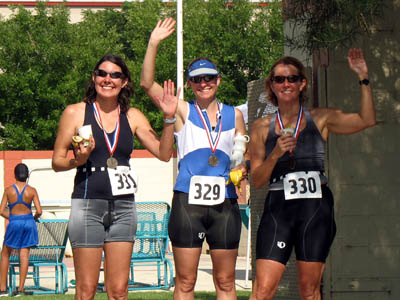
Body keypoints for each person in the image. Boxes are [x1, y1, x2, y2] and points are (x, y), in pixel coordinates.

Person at [249, 49, 375, 300]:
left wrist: (363, 78)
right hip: (279, 210)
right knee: (263, 290)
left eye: (292, 78)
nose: (286, 84)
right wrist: (275, 154)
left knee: (309, 290)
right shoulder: (261, 127)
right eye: (279, 79)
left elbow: (366, 120)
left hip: (315, 209)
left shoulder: (321, 118)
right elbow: (257, 180)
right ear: (271, 86)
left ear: (302, 83)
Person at [52, 54, 179, 300]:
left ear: (124, 82)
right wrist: (77, 160)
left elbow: (164, 154)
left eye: (115, 75)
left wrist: (169, 118)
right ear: (94, 77)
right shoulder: (75, 112)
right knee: (86, 290)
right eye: (102, 73)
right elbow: (56, 161)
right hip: (88, 205)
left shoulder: (133, 116)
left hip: (123, 207)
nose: (107, 79)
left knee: (119, 291)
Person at [141, 18, 248, 300]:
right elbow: (146, 82)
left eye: (209, 78)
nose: (204, 83)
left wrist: (241, 170)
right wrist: (154, 43)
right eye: (197, 79)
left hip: (224, 203)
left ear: (218, 81)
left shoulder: (235, 115)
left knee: (225, 282)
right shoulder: (181, 110)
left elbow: (239, 157)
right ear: (189, 84)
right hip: (188, 202)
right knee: (185, 283)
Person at [0, 163, 42, 296]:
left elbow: (1, 211)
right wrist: (32, 218)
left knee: (5, 254)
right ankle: (21, 289)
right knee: (24, 256)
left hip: (14, 222)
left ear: (14, 175)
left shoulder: (8, 190)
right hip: (29, 222)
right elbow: (39, 211)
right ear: (27, 176)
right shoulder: (32, 190)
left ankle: (2, 289)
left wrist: (12, 217)